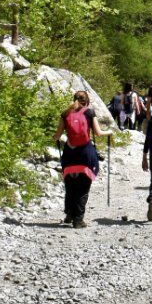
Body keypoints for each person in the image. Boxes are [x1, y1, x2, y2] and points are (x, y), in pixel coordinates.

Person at [52, 91, 111, 229]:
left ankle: (69, 214)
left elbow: (57, 135)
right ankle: (78, 220)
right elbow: (98, 132)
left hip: (69, 154)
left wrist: (54, 138)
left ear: (73, 100)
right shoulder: (89, 113)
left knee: (70, 185)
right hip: (85, 153)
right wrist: (109, 132)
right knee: (83, 188)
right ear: (87, 102)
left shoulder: (65, 113)